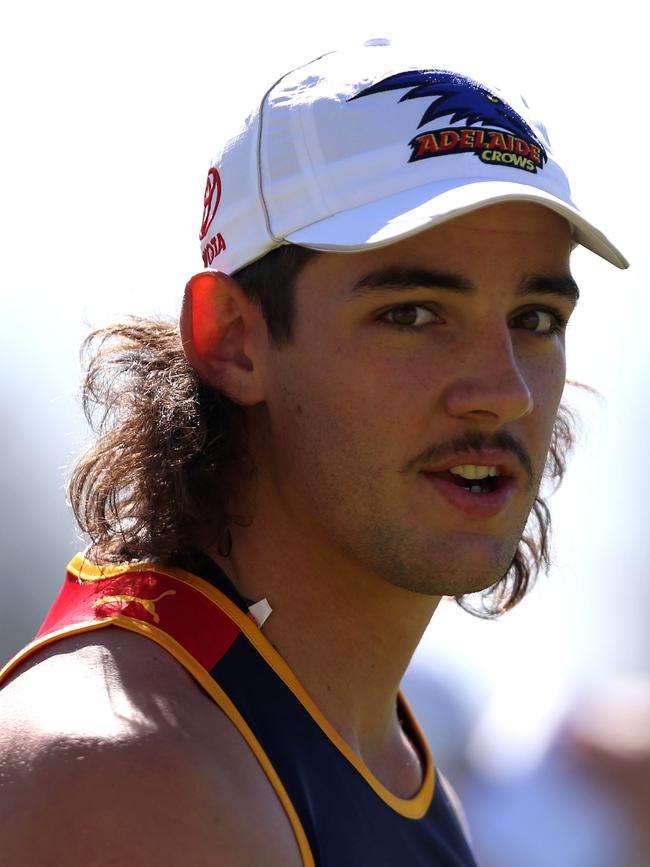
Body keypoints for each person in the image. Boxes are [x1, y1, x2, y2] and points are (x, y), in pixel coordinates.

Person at [0, 38, 628, 866]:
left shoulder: (380, 752)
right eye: (413, 313)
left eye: (536, 319)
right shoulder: (130, 775)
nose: (504, 389)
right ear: (231, 339)